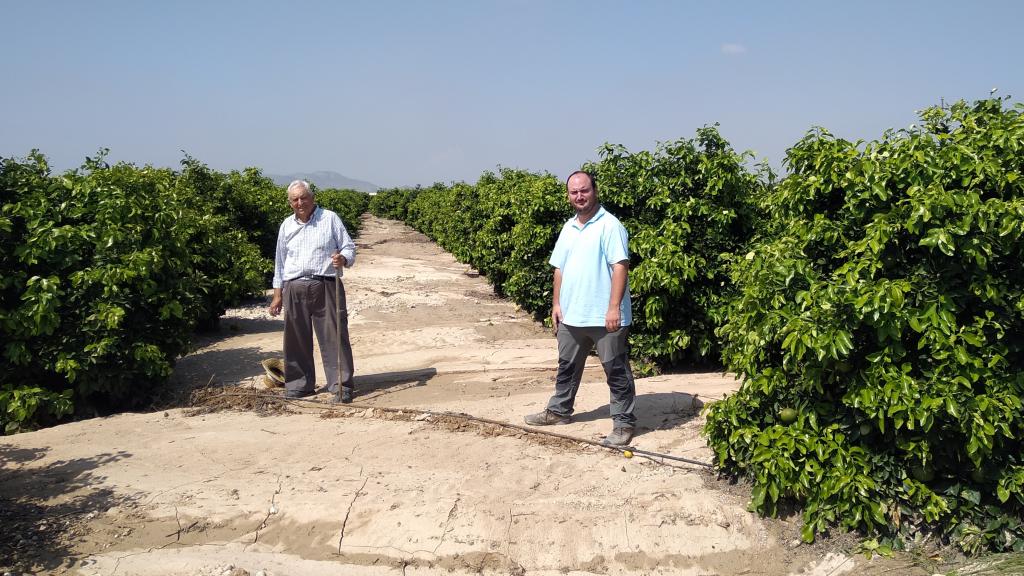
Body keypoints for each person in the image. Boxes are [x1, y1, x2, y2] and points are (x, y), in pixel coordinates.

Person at [524, 170, 637, 446]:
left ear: (594, 190)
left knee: (616, 370)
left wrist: (613, 308)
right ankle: (559, 411)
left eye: (584, 190)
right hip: (572, 316)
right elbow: (559, 269)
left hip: (605, 317)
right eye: (574, 192)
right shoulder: (568, 227)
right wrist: (556, 303)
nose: (579, 196)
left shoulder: (610, 225)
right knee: (567, 367)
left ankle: (623, 424)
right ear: (568, 196)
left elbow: (620, 267)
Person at [268, 180, 357, 403]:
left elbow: (349, 246)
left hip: (325, 284)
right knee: (295, 340)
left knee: (333, 336)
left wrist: (342, 258)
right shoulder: (286, 226)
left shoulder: (330, 218)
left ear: (312, 198)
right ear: (290, 203)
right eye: (295, 199)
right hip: (294, 287)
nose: (300, 203)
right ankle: (299, 385)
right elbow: (280, 261)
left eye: (303, 197)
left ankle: (340, 385)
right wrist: (277, 295)